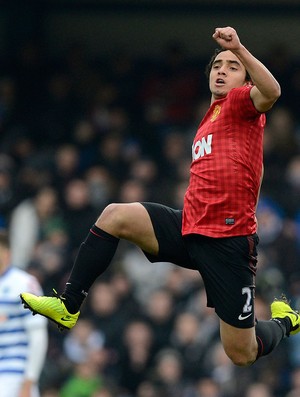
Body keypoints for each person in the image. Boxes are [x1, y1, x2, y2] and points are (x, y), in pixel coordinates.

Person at [20, 27, 300, 367]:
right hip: (189, 228)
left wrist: (239, 48)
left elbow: (272, 90)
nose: (222, 70)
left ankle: (286, 321)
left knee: (242, 353)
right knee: (114, 216)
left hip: (229, 242)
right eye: (217, 65)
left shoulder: (242, 103)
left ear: (244, 79)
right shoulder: (207, 119)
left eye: (232, 65)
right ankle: (68, 306)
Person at [0, 230, 48, 397]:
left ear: (7, 254)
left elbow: (38, 336)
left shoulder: (24, 284)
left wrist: (29, 380)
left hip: (14, 374)